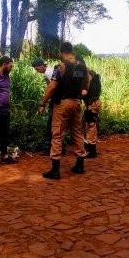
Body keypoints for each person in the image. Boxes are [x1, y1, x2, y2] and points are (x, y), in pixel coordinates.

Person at [38, 42, 89, 179]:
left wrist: (43, 103)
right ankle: (80, 165)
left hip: (62, 104)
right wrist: (82, 91)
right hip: (77, 103)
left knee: (57, 134)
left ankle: (55, 170)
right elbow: (87, 82)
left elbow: (52, 87)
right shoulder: (83, 66)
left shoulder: (60, 66)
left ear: (61, 52)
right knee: (78, 133)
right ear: (72, 51)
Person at [78, 58, 101, 158]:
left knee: (90, 125)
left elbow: (84, 91)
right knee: (90, 124)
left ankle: (92, 151)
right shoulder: (91, 72)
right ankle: (90, 147)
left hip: (92, 103)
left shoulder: (88, 74)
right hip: (93, 103)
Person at [32, 58, 55, 155]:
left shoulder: (48, 73)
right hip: (57, 101)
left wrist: (43, 104)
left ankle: (51, 149)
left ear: (42, 65)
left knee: (51, 126)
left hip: (56, 102)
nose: (38, 72)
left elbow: (52, 88)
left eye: (37, 69)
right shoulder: (50, 71)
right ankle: (58, 148)